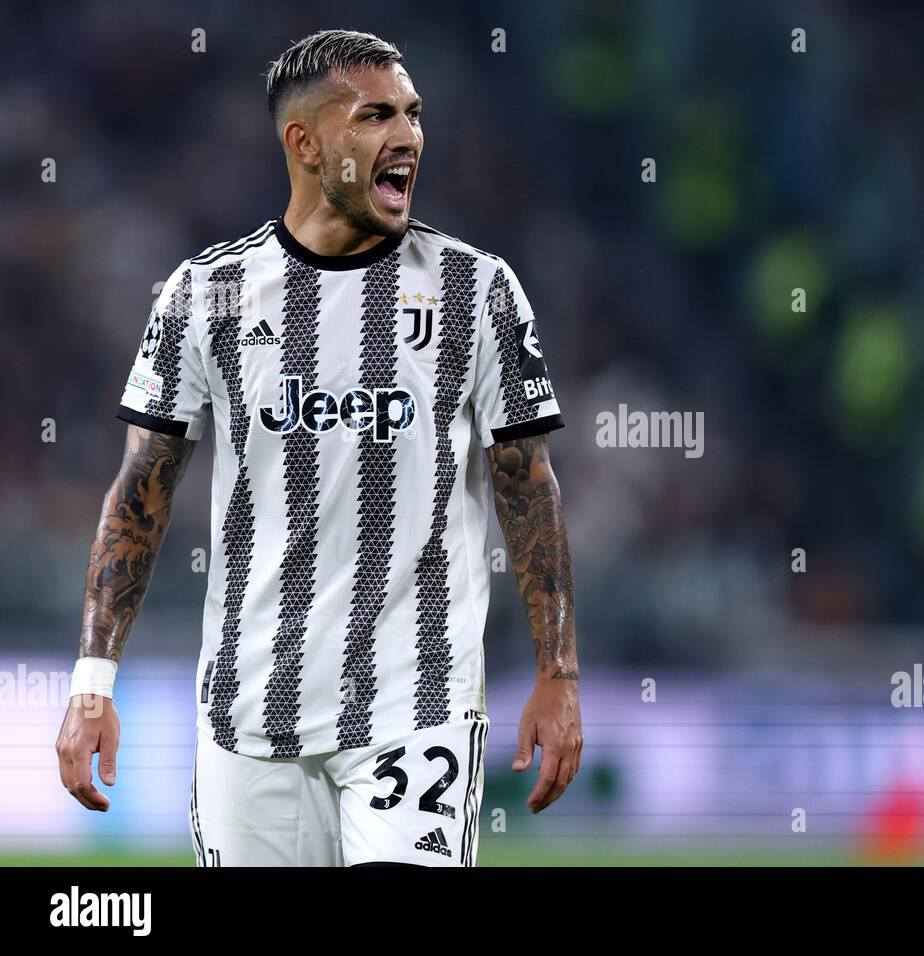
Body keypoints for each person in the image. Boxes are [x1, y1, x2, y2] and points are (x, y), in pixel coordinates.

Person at [55, 29, 582, 867]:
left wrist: (559, 672)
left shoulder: (478, 290)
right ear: (304, 143)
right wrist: (91, 685)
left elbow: (529, 486)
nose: (407, 135)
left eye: (413, 114)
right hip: (247, 708)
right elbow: (138, 494)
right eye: (375, 116)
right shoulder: (207, 294)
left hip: (419, 703)